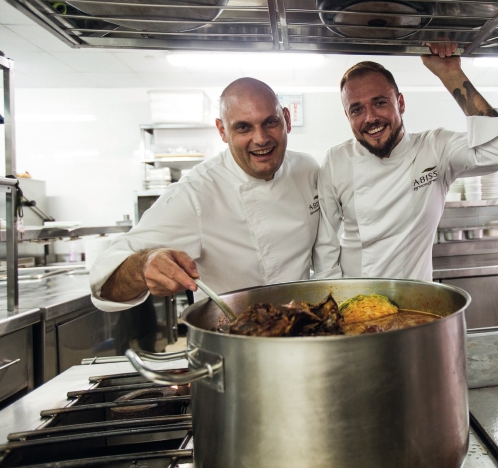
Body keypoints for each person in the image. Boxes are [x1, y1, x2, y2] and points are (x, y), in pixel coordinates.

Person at [91, 77, 333, 311]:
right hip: (231, 335)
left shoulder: (306, 168)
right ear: (222, 131)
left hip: (302, 326)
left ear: (287, 120)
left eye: (270, 122)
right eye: (243, 127)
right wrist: (142, 266)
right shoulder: (195, 194)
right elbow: (105, 280)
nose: (260, 139)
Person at [312, 42, 498, 281]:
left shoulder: (435, 148)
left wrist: (450, 73)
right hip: (354, 300)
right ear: (347, 116)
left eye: (380, 102)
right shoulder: (336, 159)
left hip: (415, 303)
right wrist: (334, 302)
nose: (370, 118)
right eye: (357, 110)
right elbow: (325, 245)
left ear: (400, 103)